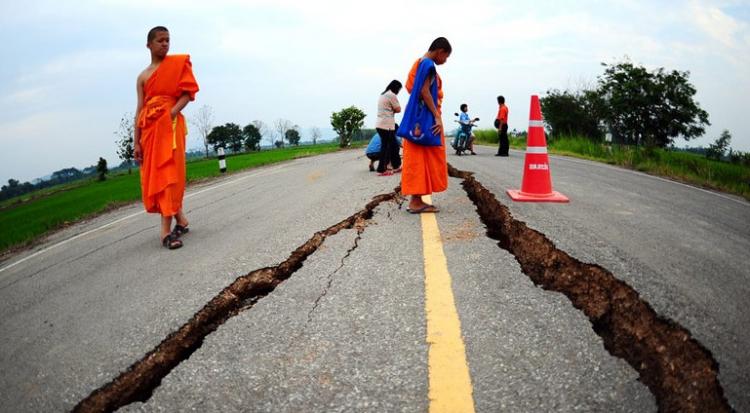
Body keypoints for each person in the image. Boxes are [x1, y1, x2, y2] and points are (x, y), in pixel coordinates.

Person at [134, 26, 199, 249]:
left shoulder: (177, 64)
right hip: (150, 131)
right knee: (159, 176)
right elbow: (139, 110)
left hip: (170, 127)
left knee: (170, 175)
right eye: (160, 40)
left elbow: (188, 94)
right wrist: (136, 142)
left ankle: (165, 232)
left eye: (168, 40)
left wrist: (171, 112)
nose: (165, 44)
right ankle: (180, 220)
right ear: (149, 45)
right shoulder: (142, 77)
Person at [401, 37, 451, 213]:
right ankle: (415, 201)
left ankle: (417, 199)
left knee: (419, 159)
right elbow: (423, 92)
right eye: (446, 57)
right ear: (440, 51)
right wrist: (436, 116)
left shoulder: (418, 63)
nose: (445, 61)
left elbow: (410, 88)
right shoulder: (428, 65)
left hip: (419, 120)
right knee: (423, 158)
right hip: (426, 121)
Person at [375, 80, 403, 176]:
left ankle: (396, 166)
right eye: (399, 89)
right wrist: (393, 110)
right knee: (387, 148)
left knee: (393, 146)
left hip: (381, 124)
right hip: (386, 126)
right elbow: (398, 109)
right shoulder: (391, 95)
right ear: (396, 88)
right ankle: (382, 170)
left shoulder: (383, 95)